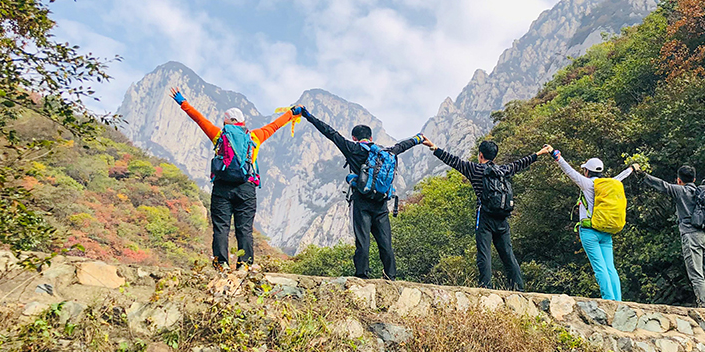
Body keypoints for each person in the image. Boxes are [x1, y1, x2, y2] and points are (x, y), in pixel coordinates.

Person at [294, 105, 426, 280]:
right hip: (381, 204)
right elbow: (403, 145)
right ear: (371, 137)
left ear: (354, 138)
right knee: (385, 243)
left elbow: (331, 133)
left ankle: (362, 276)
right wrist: (419, 138)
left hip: (362, 202)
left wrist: (307, 115)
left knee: (363, 242)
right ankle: (391, 276)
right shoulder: (386, 152)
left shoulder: (352, 148)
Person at [170, 88, 295, 269]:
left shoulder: (219, 135)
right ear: (243, 122)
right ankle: (244, 266)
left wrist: (183, 102)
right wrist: (292, 112)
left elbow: (199, 119)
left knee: (221, 228)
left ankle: (221, 264)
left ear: (226, 122)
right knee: (244, 229)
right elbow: (275, 125)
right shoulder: (254, 136)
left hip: (222, 187)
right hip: (246, 188)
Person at [422, 137, 552, 291]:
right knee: (508, 255)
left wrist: (433, 147)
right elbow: (520, 163)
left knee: (484, 253)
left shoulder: (474, 169)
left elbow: (452, 160)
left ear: (480, 155)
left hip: (485, 217)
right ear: (494, 156)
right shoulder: (503, 170)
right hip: (502, 218)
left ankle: (486, 288)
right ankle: (518, 289)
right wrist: (540, 153)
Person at [547, 148, 638, 301]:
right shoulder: (609, 184)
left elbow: (569, 171)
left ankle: (608, 300)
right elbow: (621, 176)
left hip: (590, 231)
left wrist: (556, 156)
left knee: (599, 268)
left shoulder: (587, 183)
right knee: (610, 268)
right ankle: (618, 300)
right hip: (605, 230)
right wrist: (631, 168)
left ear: (587, 172)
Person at [642, 165, 705, 308]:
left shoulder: (680, 191)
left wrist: (642, 175)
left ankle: (703, 307)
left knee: (696, 275)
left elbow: (662, 185)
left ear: (679, 180)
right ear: (694, 179)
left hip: (691, 237)